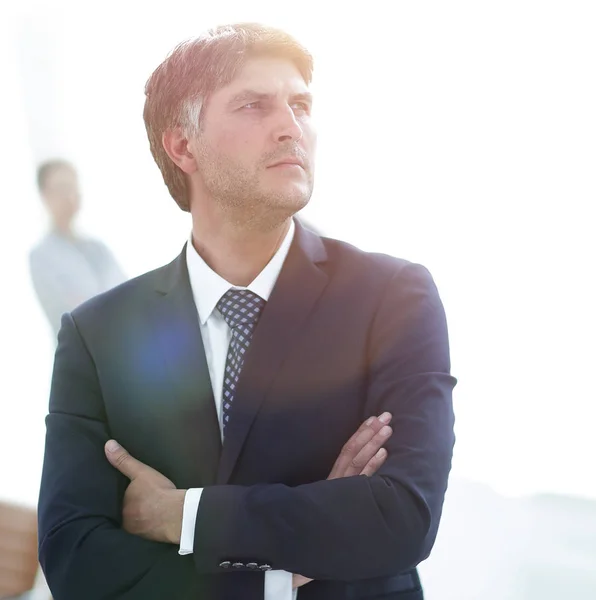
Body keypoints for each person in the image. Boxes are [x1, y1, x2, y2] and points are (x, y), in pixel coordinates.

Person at [37, 23, 456, 600]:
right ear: (183, 145)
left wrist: (185, 515)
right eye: (254, 105)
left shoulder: (393, 296)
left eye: (301, 104)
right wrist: (283, 572)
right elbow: (75, 560)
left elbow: (400, 516)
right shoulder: (96, 333)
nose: (291, 126)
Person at [29, 159, 126, 338]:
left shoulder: (98, 249)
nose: (70, 195)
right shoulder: (41, 256)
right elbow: (67, 314)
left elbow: (126, 296)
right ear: (45, 196)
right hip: (79, 354)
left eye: (73, 186)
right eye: (62, 188)